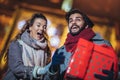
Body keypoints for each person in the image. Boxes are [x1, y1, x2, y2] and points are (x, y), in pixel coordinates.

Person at [48, 9, 118, 80]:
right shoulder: (61, 50)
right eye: (70, 20)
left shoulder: (103, 45)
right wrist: (52, 70)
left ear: (86, 25)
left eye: (78, 20)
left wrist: (114, 77)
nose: (73, 23)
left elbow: (115, 70)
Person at [3, 13, 53, 80]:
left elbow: (45, 75)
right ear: (30, 27)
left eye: (44, 27)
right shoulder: (17, 44)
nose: (41, 28)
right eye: (38, 25)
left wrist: (52, 71)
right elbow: (16, 67)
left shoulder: (45, 50)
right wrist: (37, 71)